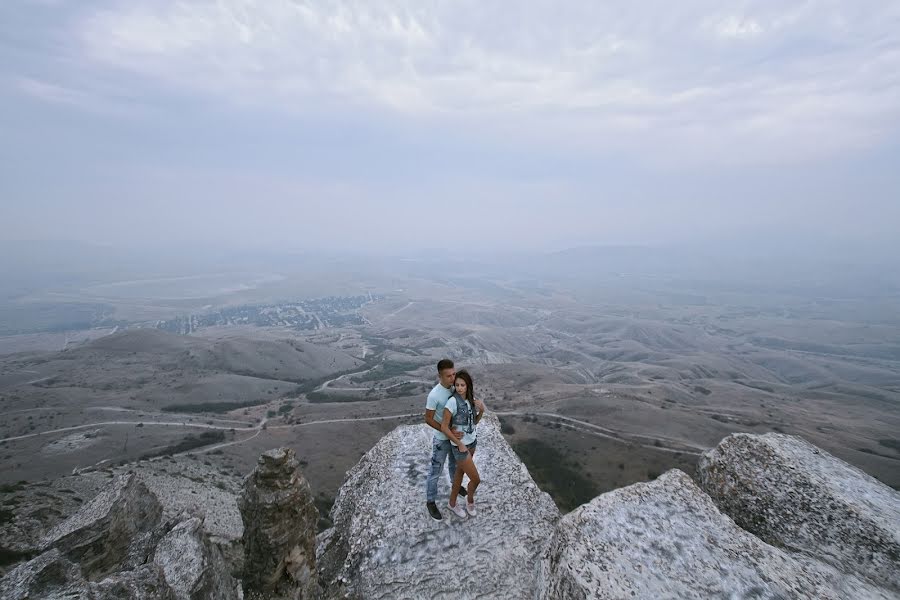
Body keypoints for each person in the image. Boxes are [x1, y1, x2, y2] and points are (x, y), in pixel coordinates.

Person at [424, 358, 468, 521]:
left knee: (454, 465)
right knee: (436, 470)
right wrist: (447, 430)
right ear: (440, 376)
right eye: (448, 376)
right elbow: (428, 418)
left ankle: (455, 487)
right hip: (442, 440)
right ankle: (430, 501)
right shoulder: (434, 395)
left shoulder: (453, 388)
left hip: (454, 438)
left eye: (454, 374)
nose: (452, 378)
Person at [441, 369, 485, 518]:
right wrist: (458, 443)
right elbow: (444, 427)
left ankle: (452, 503)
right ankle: (470, 499)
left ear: (468, 386)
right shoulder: (452, 402)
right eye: (457, 385)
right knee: (475, 479)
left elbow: (474, 423)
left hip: (472, 443)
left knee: (459, 474)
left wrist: (481, 411)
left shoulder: (470, 400)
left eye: (462, 385)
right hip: (461, 448)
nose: (459, 388)